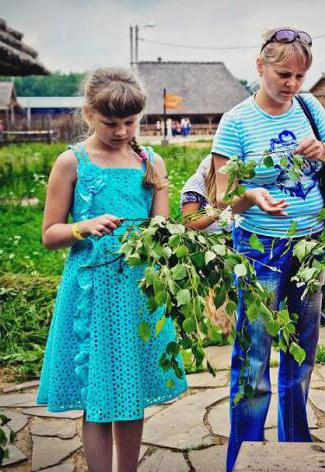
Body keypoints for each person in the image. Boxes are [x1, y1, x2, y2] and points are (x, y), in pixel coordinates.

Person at [210, 27, 325, 470]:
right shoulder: (236, 121)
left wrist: (324, 154)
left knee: (301, 352)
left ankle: (295, 451)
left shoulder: (310, 109)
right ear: (260, 66)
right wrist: (251, 196)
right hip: (259, 246)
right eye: (283, 73)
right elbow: (219, 192)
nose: (292, 83)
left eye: (300, 75)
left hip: (310, 245)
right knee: (252, 356)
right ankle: (245, 456)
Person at [36, 67, 187, 471]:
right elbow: (50, 234)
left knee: (131, 390)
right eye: (110, 123)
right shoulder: (72, 163)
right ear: (88, 113)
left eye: (130, 122)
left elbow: (162, 228)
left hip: (139, 293)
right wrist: (81, 227)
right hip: (93, 295)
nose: (122, 131)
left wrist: (176, 240)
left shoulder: (151, 162)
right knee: (100, 395)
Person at [180, 154, 234, 335]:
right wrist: (217, 212)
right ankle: (214, 328)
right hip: (206, 245)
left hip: (231, 241)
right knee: (214, 286)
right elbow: (189, 223)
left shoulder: (234, 181)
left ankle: (230, 326)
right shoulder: (197, 184)